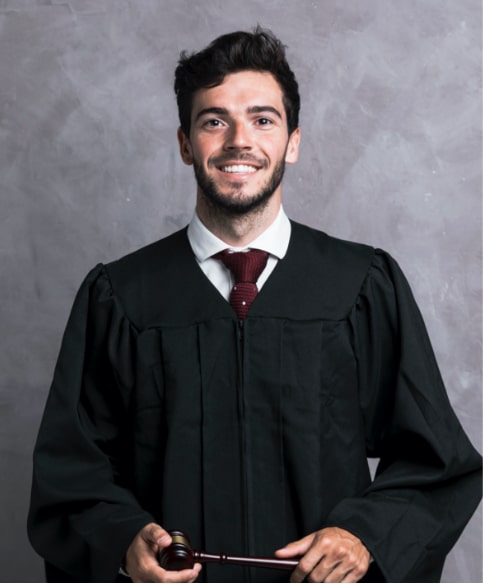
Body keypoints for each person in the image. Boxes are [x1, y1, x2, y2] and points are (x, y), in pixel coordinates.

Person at [28, 27, 481, 583]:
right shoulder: (121, 298)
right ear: (185, 144)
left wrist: (365, 535)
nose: (239, 140)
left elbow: (436, 462)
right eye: (214, 121)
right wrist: (123, 542)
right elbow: (71, 478)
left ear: (293, 141)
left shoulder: (361, 286)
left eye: (263, 120)